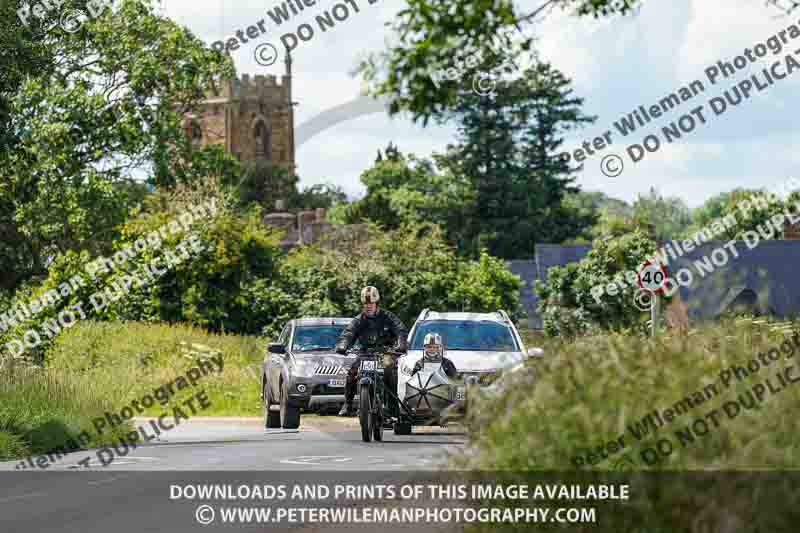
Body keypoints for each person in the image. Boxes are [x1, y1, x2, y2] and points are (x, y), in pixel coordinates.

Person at [335, 286, 407, 418]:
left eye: (371, 303)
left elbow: (400, 329)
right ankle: (348, 404)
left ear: (376, 303)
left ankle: (392, 407)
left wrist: (401, 344)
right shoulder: (358, 320)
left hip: (384, 353)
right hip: (365, 354)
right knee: (352, 373)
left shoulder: (388, 317)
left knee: (390, 371)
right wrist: (342, 345)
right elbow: (348, 333)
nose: (368, 306)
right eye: (366, 304)